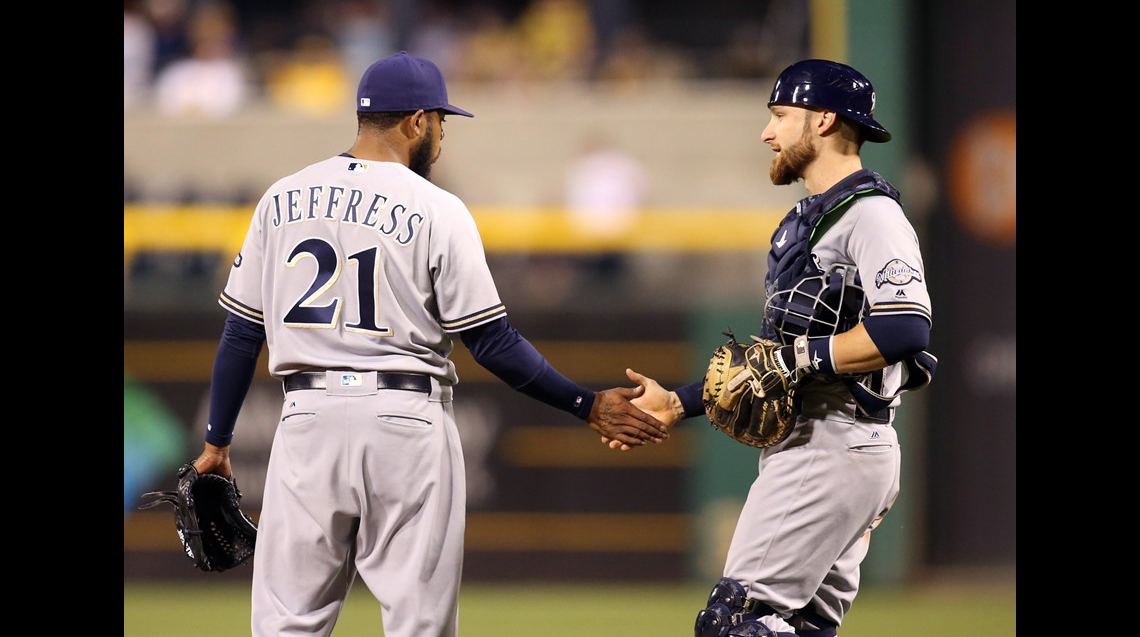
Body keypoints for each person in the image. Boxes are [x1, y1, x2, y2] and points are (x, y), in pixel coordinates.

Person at [187, 50, 668, 637]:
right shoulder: (437, 208)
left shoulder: (281, 198)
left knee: (286, 624)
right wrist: (585, 404)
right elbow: (491, 341)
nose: (440, 138)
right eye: (440, 123)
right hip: (404, 420)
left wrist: (217, 443)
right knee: (420, 626)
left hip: (305, 418)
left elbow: (241, 333)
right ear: (417, 121)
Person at [611, 59, 937, 637]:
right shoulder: (806, 222)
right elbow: (768, 358)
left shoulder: (872, 213)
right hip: (827, 444)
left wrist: (796, 358)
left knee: (735, 624)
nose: (768, 133)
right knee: (801, 627)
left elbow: (905, 329)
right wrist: (679, 403)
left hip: (834, 442)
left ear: (825, 120)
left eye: (781, 117)